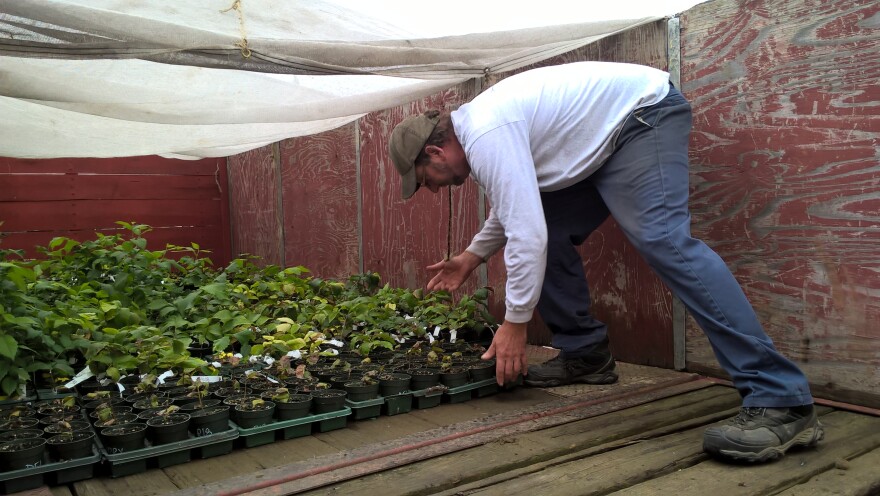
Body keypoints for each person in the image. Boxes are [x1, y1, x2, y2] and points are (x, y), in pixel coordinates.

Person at [388, 61, 823, 463]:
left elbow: (526, 232)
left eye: (424, 180)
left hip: (641, 117)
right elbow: (519, 211)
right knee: (554, 232)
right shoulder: (482, 133)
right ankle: (585, 355)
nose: (431, 189)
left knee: (665, 242)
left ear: (435, 152)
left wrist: (516, 322)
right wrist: (471, 256)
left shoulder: (484, 134)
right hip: (602, 142)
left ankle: (780, 398)